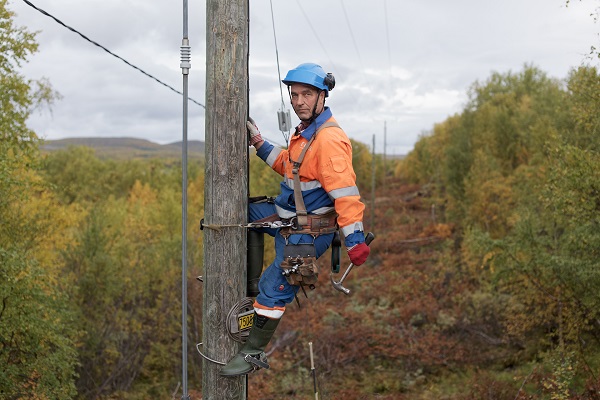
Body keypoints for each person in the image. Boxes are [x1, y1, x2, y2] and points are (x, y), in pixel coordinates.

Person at [220, 62, 370, 376]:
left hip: (308, 234)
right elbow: (290, 166)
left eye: (307, 94)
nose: (299, 100)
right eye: (295, 93)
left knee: (274, 288)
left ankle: (252, 352)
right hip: (289, 218)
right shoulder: (305, 134)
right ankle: (248, 284)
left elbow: (346, 195)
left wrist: (355, 241)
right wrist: (260, 144)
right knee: (242, 214)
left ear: (323, 96)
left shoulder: (329, 141)